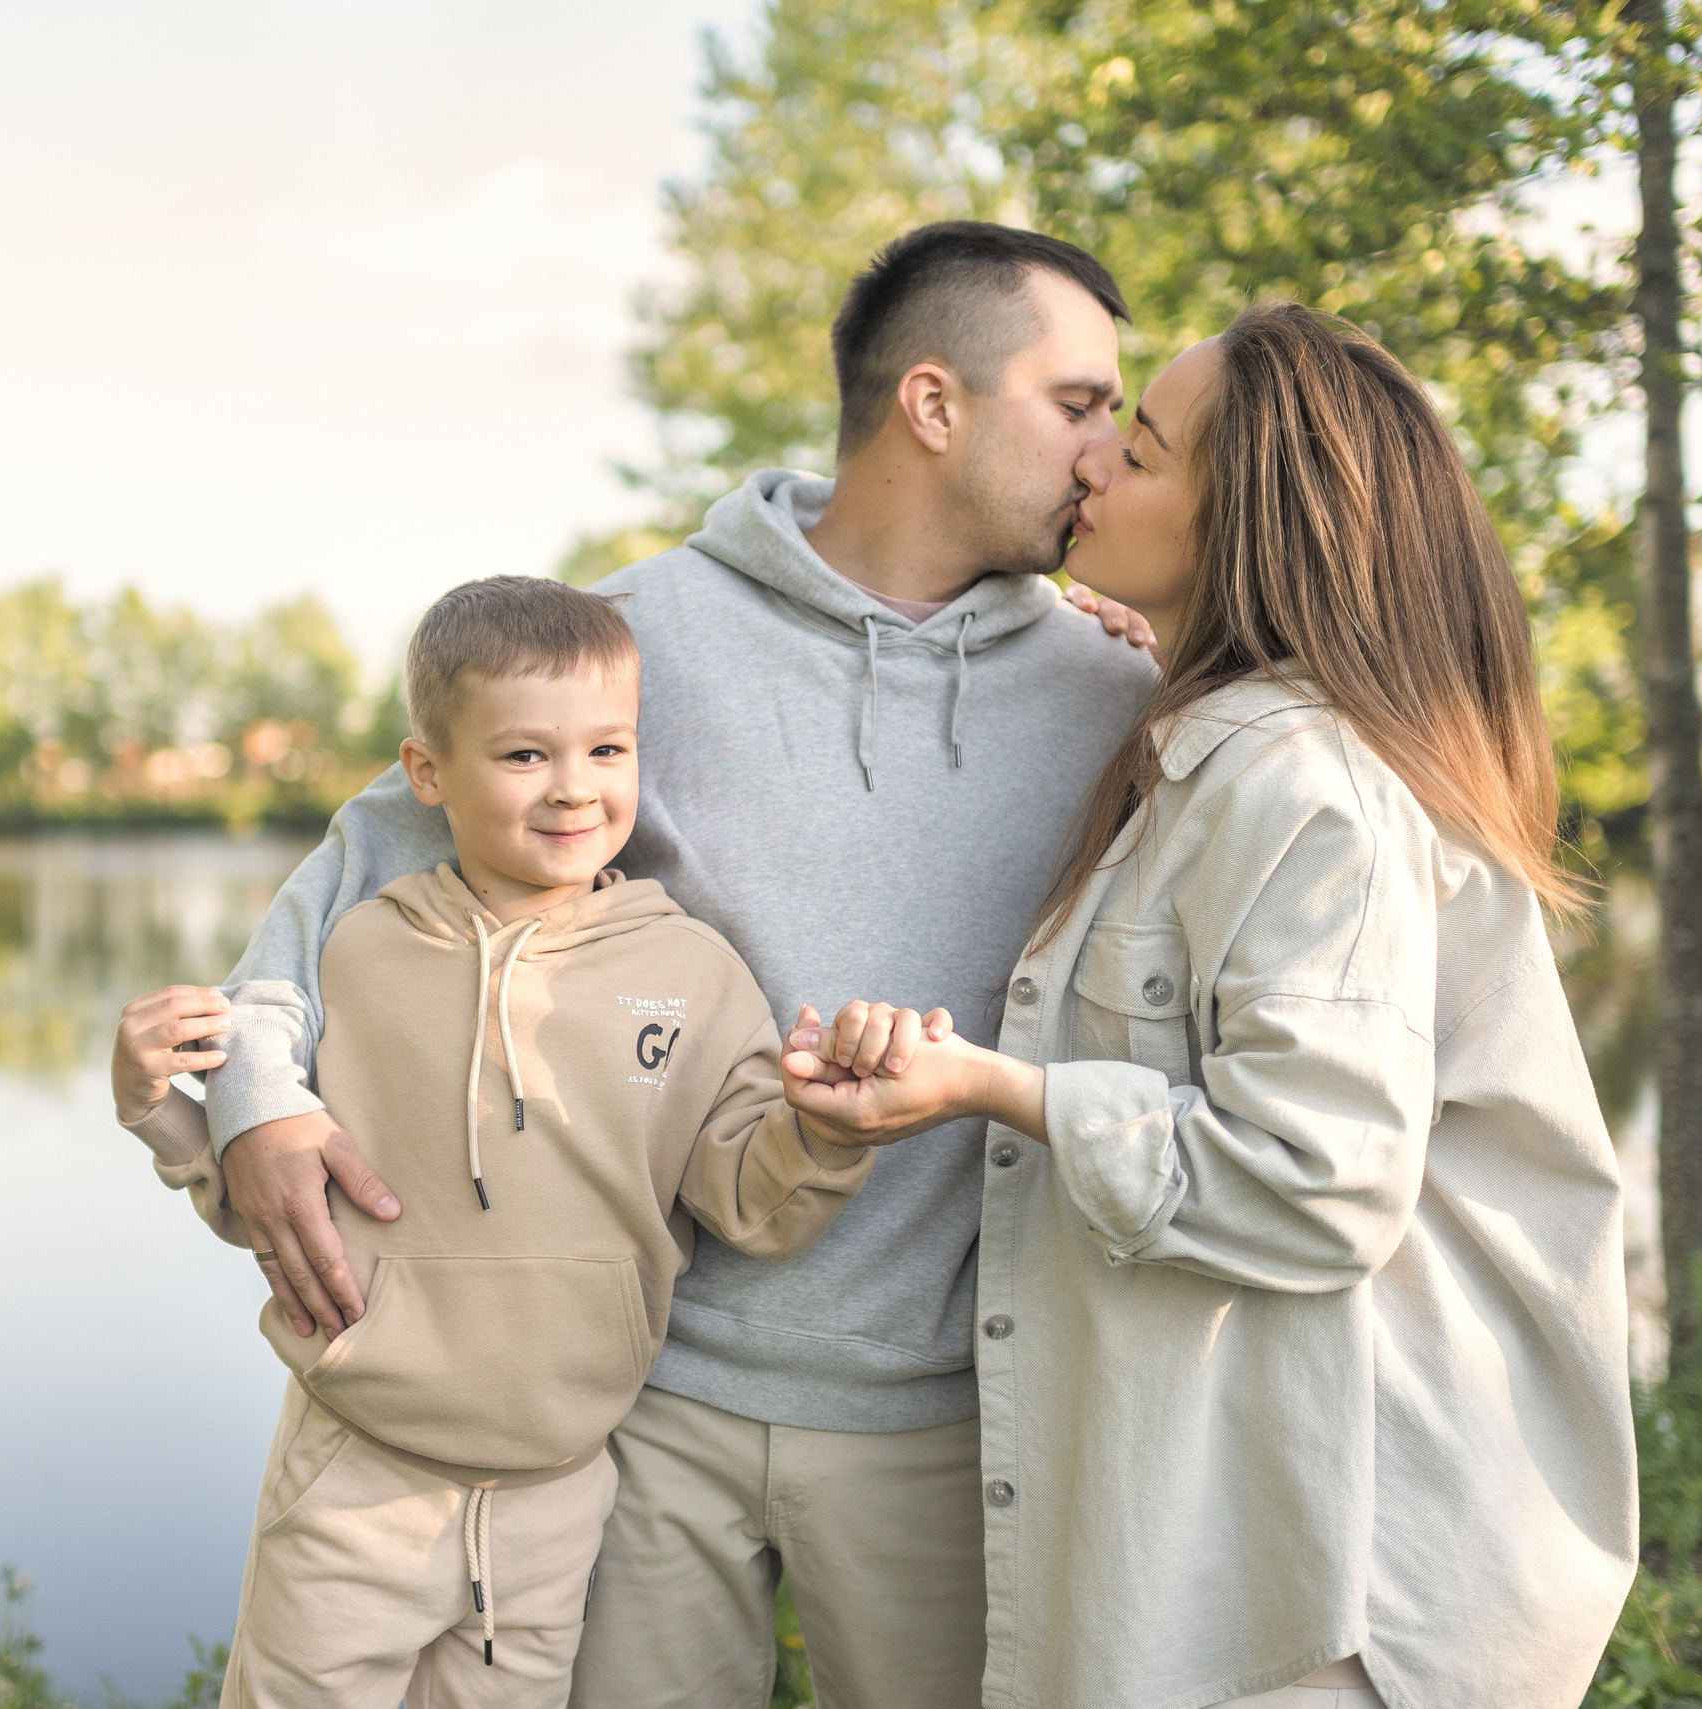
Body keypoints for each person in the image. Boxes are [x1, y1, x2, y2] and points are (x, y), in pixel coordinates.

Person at [112, 221, 1162, 1706]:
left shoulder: (1122, 690)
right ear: (936, 405)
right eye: (1081, 404)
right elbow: (347, 883)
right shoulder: (631, 640)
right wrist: (257, 1105)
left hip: (951, 1413)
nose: (1109, 451)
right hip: (642, 1408)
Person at [786, 301, 1638, 1708]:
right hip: (1243, 1544)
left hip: (1324, 1590)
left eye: (1144, 449)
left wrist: (993, 1087)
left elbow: (1315, 1178)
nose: (1094, 472)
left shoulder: (1301, 784)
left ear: (1248, 518)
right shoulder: (1214, 746)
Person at [116, 576, 881, 1707]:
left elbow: (752, 1203)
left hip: (557, 1492)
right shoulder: (356, 954)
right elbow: (261, 1201)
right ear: (427, 773)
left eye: (607, 749)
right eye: (524, 755)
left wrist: (821, 1126)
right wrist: (157, 1105)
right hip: (354, 1471)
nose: (575, 788)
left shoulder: (695, 971)